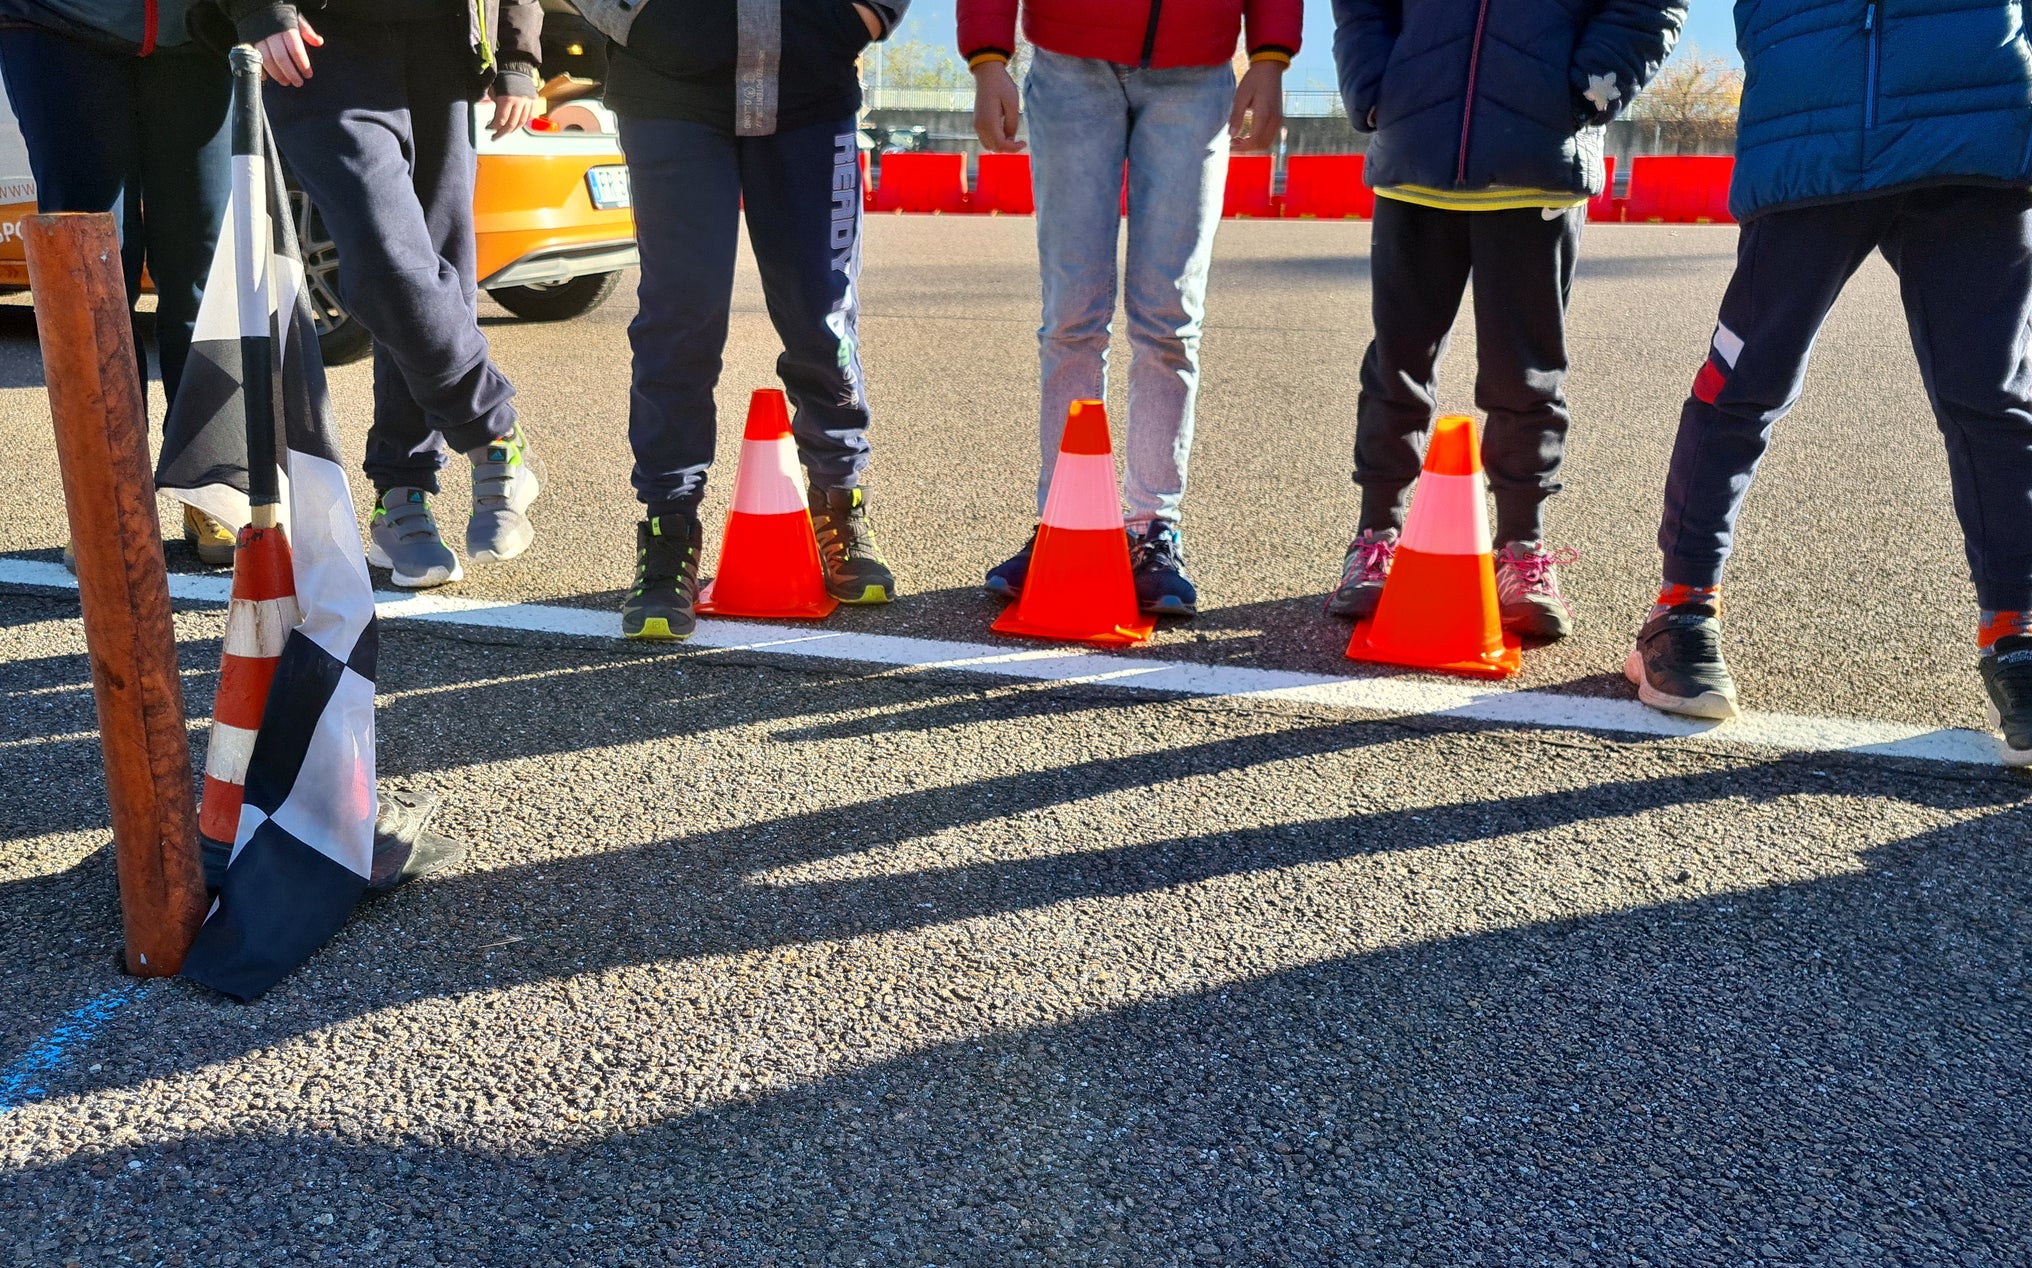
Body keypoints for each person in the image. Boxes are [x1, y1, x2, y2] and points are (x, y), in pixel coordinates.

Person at [1625, 2, 2032, 767]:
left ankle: (2020, 635)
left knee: (1992, 400)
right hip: (1816, 126)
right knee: (1743, 385)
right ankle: (1683, 612)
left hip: (1965, 126)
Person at [1324, 0, 1684, 638]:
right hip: (1416, 153)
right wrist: (1372, 85)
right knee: (1397, 364)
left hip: (1538, 162)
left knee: (1527, 374)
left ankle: (1521, 548)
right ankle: (1376, 536)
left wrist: (1588, 91)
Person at [571, 0, 907, 642]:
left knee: (821, 312)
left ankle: (840, 497)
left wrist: (861, 14)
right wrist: (635, 17)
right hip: (669, 92)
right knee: (681, 316)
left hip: (811, 85)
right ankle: (669, 532)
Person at [962, 0, 1300, 618]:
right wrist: (988, 57)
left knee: (1170, 316)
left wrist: (1271, 53)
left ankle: (1153, 530)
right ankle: (1066, 518)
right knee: (1072, 316)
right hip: (1069, 64)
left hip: (1196, 71)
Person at [218, 0, 545, 590]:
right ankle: (492, 428)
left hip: (444, 40)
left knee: (440, 269)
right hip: (319, 39)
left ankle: (401, 491)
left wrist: (517, 50)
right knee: (388, 264)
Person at [0, 0, 239, 566]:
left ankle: (209, 480)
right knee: (90, 275)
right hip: (57, 26)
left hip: (198, 31)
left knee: (203, 267)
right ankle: (108, 500)